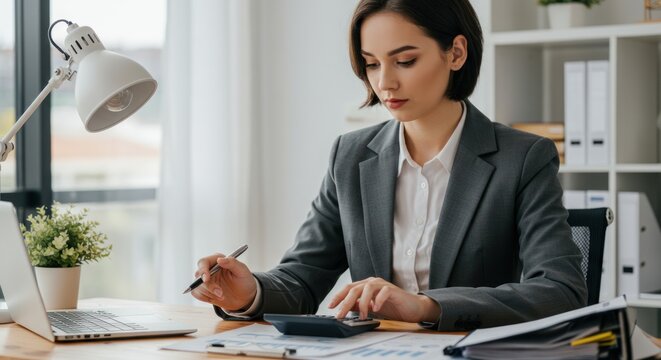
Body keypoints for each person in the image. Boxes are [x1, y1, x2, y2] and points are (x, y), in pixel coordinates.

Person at [191, 0, 587, 331]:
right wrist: (249, 293)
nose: (385, 84)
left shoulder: (523, 158)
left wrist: (425, 305)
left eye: (405, 61)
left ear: (456, 53)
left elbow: (560, 290)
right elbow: (302, 278)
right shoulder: (351, 155)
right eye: (372, 64)